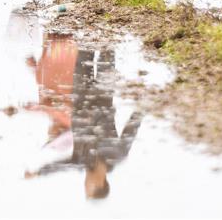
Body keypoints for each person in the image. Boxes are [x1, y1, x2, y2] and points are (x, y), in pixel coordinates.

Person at [24, 47, 143, 200]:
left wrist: (38, 172)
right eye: (89, 186)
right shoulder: (118, 155)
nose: (85, 183)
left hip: (80, 95)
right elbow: (131, 128)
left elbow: (58, 166)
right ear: (101, 184)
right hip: (103, 93)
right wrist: (143, 105)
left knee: (85, 47)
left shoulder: (80, 161)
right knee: (108, 48)